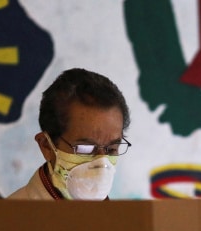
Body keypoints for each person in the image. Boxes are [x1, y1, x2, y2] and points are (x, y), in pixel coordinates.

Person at [9, 68, 131, 200]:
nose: (101, 163)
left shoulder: (121, 218)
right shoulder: (8, 219)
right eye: (85, 148)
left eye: (111, 149)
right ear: (46, 146)